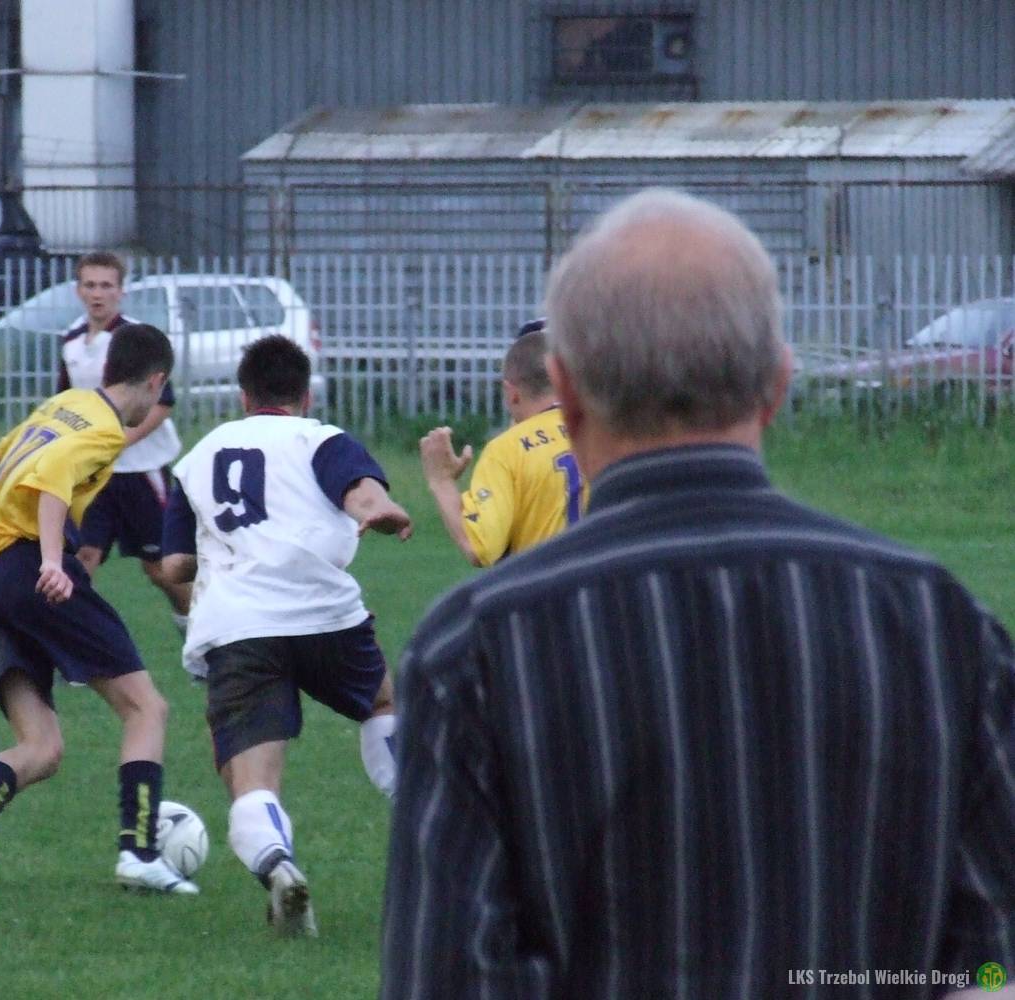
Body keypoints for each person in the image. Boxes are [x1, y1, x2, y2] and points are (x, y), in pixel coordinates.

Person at [380, 189, 1015, 999]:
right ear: (777, 383)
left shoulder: (474, 650)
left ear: (565, 390)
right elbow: (991, 964)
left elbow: (444, 978)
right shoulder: (938, 624)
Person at [0, 322, 199, 898]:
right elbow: (52, 478)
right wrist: (53, 560)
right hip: (30, 570)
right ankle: (139, 854)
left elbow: (2, 453)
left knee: (43, 747)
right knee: (146, 708)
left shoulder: (66, 404)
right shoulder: (105, 430)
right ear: (155, 382)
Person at [159, 334, 412, 937]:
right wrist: (378, 509)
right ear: (306, 395)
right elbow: (361, 490)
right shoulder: (320, 438)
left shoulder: (196, 458)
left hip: (238, 626)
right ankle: (427, 816)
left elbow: (172, 567)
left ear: (243, 396)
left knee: (252, 778)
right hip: (324, 615)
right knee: (383, 702)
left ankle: (278, 865)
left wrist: (223, 553)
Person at [57, 251, 198, 674]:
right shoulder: (70, 341)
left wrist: (118, 442)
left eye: (106, 285)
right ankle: (75, 655)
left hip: (142, 472)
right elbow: (66, 402)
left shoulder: (138, 339)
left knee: (162, 570)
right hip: (94, 476)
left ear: (121, 291)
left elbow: (163, 404)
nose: (97, 293)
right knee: (82, 558)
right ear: (78, 290)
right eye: (90, 285)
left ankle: (202, 644)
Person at [418, 328, 580, 567]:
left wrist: (441, 481)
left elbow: (481, 548)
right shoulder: (606, 435)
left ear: (511, 393)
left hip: (543, 586)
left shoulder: (506, 450)